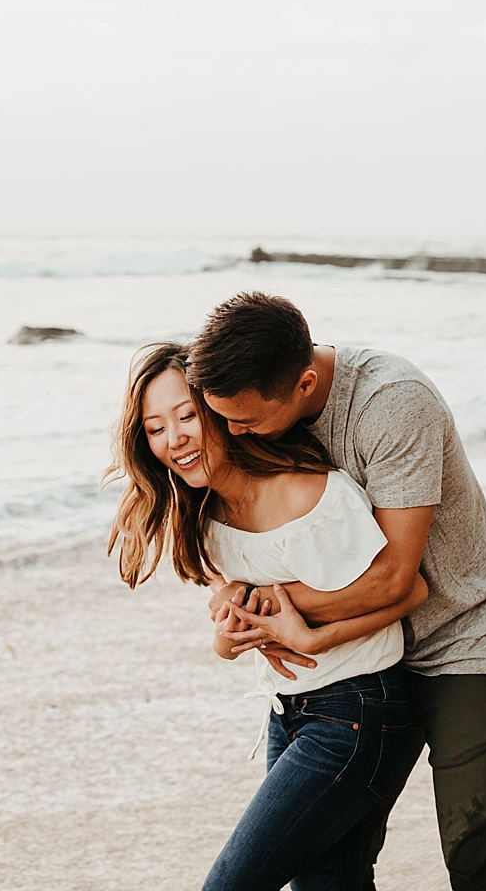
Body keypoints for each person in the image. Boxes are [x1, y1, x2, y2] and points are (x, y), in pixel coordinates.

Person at [187, 292, 486, 891]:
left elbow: (396, 577)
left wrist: (272, 607)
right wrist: (228, 593)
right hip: (362, 665)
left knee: (479, 859)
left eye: (244, 422)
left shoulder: (390, 404)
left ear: (304, 383)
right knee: (329, 863)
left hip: (463, 643)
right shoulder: (252, 398)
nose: (232, 433)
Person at [106, 342, 430, 891]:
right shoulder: (206, 513)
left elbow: (408, 588)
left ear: (222, 412)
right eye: (156, 428)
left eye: (187, 416)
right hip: (288, 714)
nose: (174, 438)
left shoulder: (311, 496)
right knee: (327, 883)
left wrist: (316, 635)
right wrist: (227, 640)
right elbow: (234, 625)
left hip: (358, 711)